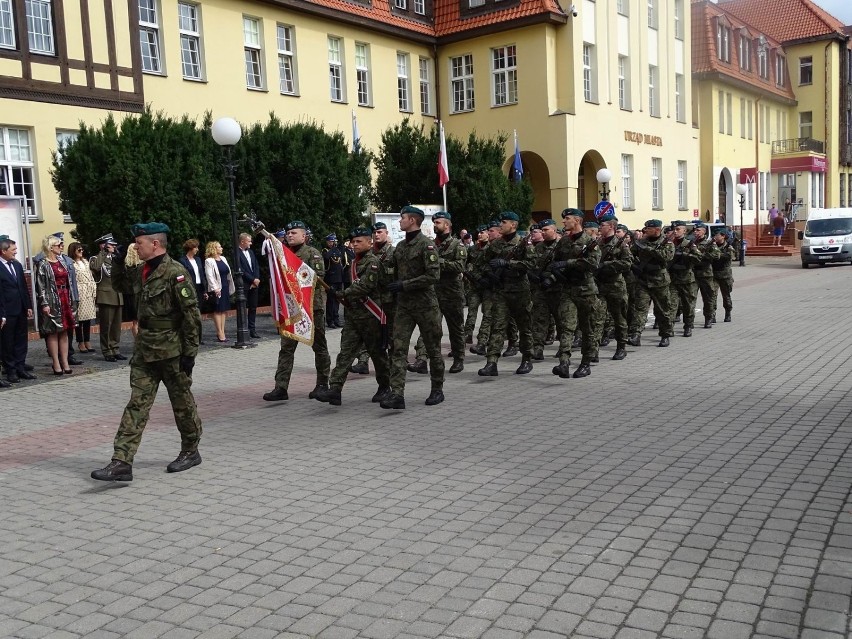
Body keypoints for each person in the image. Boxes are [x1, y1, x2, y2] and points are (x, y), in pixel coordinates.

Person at [91, 223, 203, 482]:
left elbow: (191, 316)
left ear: (155, 243)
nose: (135, 247)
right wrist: (118, 262)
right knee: (137, 405)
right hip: (145, 352)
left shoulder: (175, 273)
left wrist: (190, 354)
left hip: (172, 351)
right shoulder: (141, 271)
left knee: (182, 405)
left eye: (139, 243)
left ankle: (190, 449)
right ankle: (121, 461)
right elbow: (119, 284)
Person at [313, 227, 391, 406]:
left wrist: (341, 293)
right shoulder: (354, 263)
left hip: (371, 316)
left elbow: (364, 287)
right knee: (345, 353)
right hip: (354, 316)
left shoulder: (373, 262)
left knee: (377, 355)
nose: (354, 245)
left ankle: (385, 386)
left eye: (359, 241)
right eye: (353, 242)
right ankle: (335, 389)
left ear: (369, 243)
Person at [380, 205, 445, 409]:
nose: (400, 221)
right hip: (404, 306)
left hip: (426, 305)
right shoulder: (400, 247)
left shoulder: (426, 246)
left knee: (433, 349)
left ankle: (437, 389)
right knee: (398, 349)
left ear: (412, 221)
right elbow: (393, 272)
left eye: (402, 218)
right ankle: (397, 394)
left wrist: (405, 285)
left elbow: (433, 276)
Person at [263, 220, 330, 402]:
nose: (290, 235)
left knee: (319, 347)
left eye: (294, 232)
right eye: (288, 233)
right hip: (292, 309)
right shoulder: (283, 254)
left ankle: (323, 384)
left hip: (310, 309)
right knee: (286, 349)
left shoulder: (312, 253)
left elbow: (316, 279)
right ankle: (281, 387)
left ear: (304, 235)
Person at [476, 211, 534, 377]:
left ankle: (526, 359)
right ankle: (492, 362)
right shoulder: (495, 244)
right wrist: (489, 274)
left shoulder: (523, 244)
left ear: (513, 225)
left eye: (504, 222)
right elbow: (482, 263)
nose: (500, 225)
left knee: (524, 327)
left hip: (520, 291)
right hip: (501, 291)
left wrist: (508, 264)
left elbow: (530, 264)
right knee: (498, 326)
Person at [408, 211, 467, 374]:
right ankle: (421, 359)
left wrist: (438, 262)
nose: (434, 225)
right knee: (428, 328)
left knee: (455, 329)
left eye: (438, 222)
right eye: (434, 223)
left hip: (452, 294)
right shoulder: (430, 244)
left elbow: (460, 267)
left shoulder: (457, 245)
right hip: (432, 294)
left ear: (447, 225)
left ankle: (458, 358)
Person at [548, 209, 600, 378]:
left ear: (577, 220)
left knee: (587, 328)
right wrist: (558, 272)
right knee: (566, 326)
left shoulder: (590, 242)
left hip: (586, 291)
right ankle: (564, 362)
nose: (563, 222)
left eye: (567, 219)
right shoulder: (563, 241)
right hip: (568, 289)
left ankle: (585, 363)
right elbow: (555, 262)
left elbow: (592, 264)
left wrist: (568, 263)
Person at [627, 220, 674, 347]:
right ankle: (636, 335)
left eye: (648, 228)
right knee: (640, 309)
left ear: (657, 229)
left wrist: (649, 250)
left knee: (662, 310)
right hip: (643, 280)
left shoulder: (667, 242)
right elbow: (630, 255)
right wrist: (634, 266)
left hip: (660, 281)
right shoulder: (640, 242)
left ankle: (665, 334)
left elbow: (667, 257)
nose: (645, 230)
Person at [35, 234, 77, 375]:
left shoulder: (62, 261)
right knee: (53, 332)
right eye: (59, 245)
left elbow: (69, 280)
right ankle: (56, 362)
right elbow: (40, 286)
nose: (61, 247)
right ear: (51, 247)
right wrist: (44, 303)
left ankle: (65, 361)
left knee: (65, 331)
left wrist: (72, 299)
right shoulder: (43, 264)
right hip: (52, 300)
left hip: (65, 297)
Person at [592, 213, 631, 361]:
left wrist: (606, 265)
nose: (599, 228)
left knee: (619, 318)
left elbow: (627, 263)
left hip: (616, 286)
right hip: (600, 286)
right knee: (597, 318)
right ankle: (593, 351)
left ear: (612, 227)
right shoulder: (597, 243)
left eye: (602, 225)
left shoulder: (621, 244)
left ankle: (621, 347)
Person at [0, 235, 34, 384]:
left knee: (21, 340)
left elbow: (23, 287)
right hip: (7, 311)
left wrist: (28, 306)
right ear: (3, 251)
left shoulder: (17, 265)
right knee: (7, 342)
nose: (15, 252)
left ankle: (21, 367)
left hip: (20, 309)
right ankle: (11, 370)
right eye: (13, 250)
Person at [90, 233, 125, 361]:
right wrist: (104, 252)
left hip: (117, 295)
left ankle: (115, 348)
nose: (113, 247)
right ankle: (107, 351)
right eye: (110, 245)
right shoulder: (96, 258)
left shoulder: (115, 258)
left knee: (116, 326)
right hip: (106, 295)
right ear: (103, 246)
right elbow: (95, 267)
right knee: (106, 326)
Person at [667, 221, 701, 338]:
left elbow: (698, 258)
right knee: (671, 305)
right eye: (674, 230)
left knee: (688, 305)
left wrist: (685, 255)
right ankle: (668, 329)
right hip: (672, 279)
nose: (675, 232)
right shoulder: (668, 243)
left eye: (678, 229)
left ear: (684, 231)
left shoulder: (689, 244)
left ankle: (688, 326)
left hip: (686, 279)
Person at [68, 242, 97, 353]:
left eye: (82, 250)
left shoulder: (85, 261)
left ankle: (87, 340)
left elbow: (90, 275)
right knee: (79, 319)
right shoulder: (71, 263)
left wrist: (93, 289)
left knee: (88, 319)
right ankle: (80, 341)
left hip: (88, 291)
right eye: (79, 250)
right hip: (80, 291)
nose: (81, 252)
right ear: (73, 251)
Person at [691, 223, 721, 329]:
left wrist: (701, 255)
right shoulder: (691, 243)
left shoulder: (710, 243)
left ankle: (708, 318)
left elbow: (717, 255)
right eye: (694, 230)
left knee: (708, 298)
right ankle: (689, 322)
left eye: (698, 230)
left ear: (704, 231)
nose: (695, 232)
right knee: (690, 299)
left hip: (705, 275)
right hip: (693, 275)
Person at [204, 240, 234, 343]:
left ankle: (223, 331)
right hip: (216, 288)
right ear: (214, 249)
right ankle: (219, 332)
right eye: (219, 247)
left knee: (223, 310)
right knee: (217, 310)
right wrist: (215, 288)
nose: (221, 248)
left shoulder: (223, 258)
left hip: (225, 286)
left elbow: (228, 273)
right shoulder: (209, 261)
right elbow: (209, 276)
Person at [238, 232, 262, 338]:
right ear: (242, 241)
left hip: (254, 283)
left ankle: (252, 329)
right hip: (244, 283)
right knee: (242, 307)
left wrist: (256, 279)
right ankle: (243, 329)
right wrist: (252, 280)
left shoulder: (251, 252)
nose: (251, 243)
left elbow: (256, 265)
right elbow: (240, 270)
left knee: (253, 307)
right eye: (249, 241)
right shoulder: (236, 253)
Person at [711, 227, 737, 322]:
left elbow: (730, 256)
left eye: (717, 235)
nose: (715, 237)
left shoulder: (729, 247)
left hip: (725, 276)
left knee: (726, 296)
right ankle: (712, 315)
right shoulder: (712, 246)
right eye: (714, 235)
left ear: (723, 236)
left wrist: (717, 254)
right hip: (714, 275)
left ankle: (728, 312)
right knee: (712, 296)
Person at [178, 239, 208, 318]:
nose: (197, 249)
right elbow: (181, 276)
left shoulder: (198, 259)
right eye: (196, 248)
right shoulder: (182, 261)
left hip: (199, 287)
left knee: (199, 310)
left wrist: (205, 290)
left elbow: (202, 275)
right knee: (190, 311)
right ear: (191, 248)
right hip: (190, 287)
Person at [322, 234, 345, 328]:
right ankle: (330, 320)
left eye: (334, 241)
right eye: (331, 241)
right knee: (331, 301)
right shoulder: (325, 250)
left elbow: (342, 258)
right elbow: (326, 258)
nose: (333, 243)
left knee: (337, 300)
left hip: (339, 279)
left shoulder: (338, 250)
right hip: (330, 279)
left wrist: (338, 247)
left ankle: (336, 319)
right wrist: (333, 249)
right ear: (327, 242)